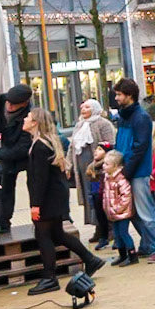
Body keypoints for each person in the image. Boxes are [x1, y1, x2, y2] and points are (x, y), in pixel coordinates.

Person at [23, 108, 105, 295]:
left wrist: (36, 204)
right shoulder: (46, 142)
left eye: (28, 117)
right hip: (56, 196)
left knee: (43, 236)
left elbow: (40, 179)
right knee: (58, 234)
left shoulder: (40, 146)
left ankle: (49, 278)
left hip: (48, 199)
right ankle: (90, 259)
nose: (24, 120)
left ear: (35, 122)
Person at [113, 78, 155, 263]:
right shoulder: (124, 116)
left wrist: (127, 171)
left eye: (119, 94)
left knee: (145, 211)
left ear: (129, 95)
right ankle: (146, 245)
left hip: (137, 171)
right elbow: (121, 142)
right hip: (125, 170)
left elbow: (140, 147)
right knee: (134, 212)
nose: (116, 97)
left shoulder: (141, 117)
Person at [0, 84, 33, 236]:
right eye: (8, 103)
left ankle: (41, 219)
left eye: (14, 104)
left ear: (23, 104)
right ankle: (3, 223)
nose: (9, 106)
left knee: (34, 186)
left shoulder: (30, 116)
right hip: (7, 151)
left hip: (26, 155)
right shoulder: (1, 102)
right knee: (6, 188)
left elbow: (22, 149)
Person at [67, 99, 116, 243]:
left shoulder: (103, 124)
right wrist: (68, 164)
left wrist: (101, 162)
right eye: (82, 107)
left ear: (95, 108)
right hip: (83, 171)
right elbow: (72, 147)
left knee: (101, 197)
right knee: (90, 198)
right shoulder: (79, 125)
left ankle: (110, 228)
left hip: (99, 170)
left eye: (87, 107)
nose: (83, 109)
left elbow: (110, 145)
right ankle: (98, 227)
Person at [103, 150, 137, 267]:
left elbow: (126, 196)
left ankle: (132, 255)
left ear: (115, 166)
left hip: (121, 213)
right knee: (117, 234)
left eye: (107, 164)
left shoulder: (121, 179)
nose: (104, 166)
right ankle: (122, 255)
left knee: (123, 233)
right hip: (112, 212)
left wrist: (118, 208)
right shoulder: (107, 178)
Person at [86, 142, 114, 250]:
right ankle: (103, 237)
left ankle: (115, 237)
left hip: (105, 195)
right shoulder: (92, 166)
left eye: (100, 149)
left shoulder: (106, 166)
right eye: (96, 149)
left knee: (110, 217)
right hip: (95, 194)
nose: (96, 151)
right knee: (100, 217)